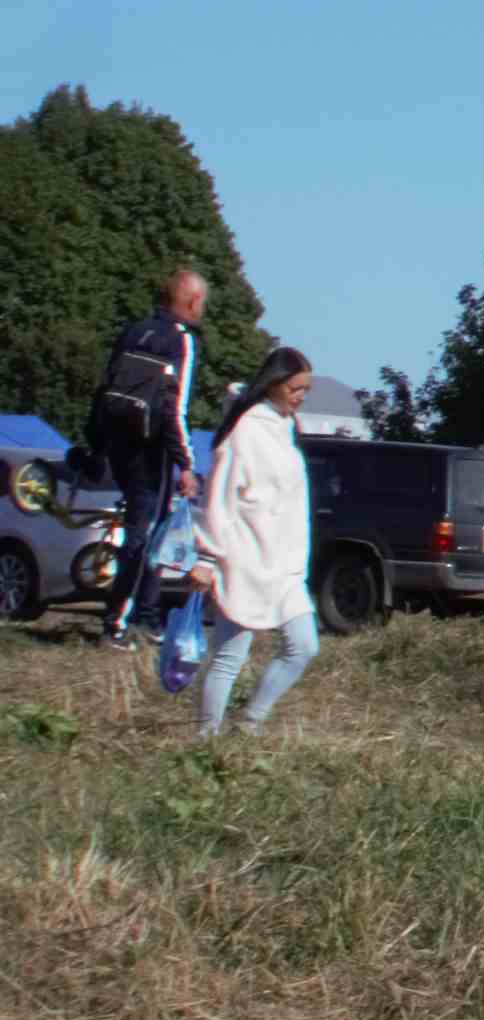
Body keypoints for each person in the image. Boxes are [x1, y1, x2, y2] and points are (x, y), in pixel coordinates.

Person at [192, 345, 321, 740]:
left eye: (306, 390)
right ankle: (206, 739)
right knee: (230, 656)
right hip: (245, 559)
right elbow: (220, 498)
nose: (301, 397)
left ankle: (249, 724)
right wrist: (207, 558)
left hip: (284, 565)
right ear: (275, 384)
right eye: (296, 388)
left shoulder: (285, 429)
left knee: (303, 647)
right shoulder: (245, 431)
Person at [83, 266, 205, 645]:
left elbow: (105, 387)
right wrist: (186, 463)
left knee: (154, 530)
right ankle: (118, 624)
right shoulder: (180, 340)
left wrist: (96, 443)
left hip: (119, 442)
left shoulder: (134, 330)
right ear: (191, 301)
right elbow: (174, 407)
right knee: (147, 534)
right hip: (152, 451)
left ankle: (147, 618)